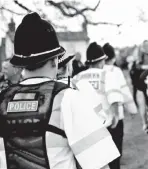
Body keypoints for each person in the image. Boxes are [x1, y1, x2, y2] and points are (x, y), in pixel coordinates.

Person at [0, 12, 119, 169]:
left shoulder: (2, 99)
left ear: (21, 64)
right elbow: (99, 164)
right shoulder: (68, 98)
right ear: (55, 60)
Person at [73, 42, 124, 169]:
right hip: (106, 126)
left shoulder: (77, 77)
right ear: (102, 61)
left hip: (85, 128)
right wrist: (116, 118)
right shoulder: (107, 74)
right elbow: (114, 99)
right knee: (113, 162)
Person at [102, 42, 138, 165]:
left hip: (98, 118)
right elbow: (125, 92)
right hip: (115, 117)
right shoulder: (115, 71)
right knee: (115, 152)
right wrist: (132, 109)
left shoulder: (92, 72)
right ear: (112, 58)